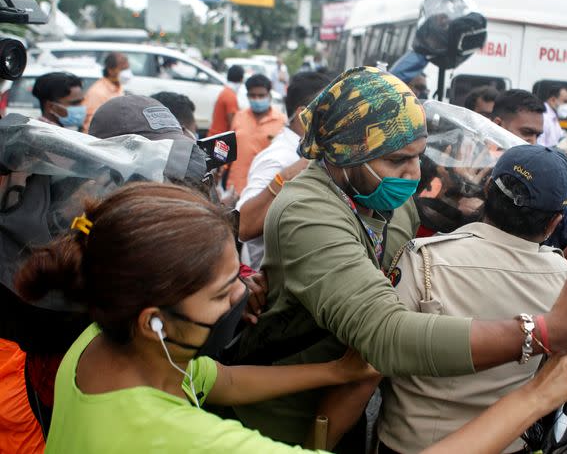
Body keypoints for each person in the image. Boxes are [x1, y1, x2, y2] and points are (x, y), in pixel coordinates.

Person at [228, 66, 567, 447]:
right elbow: (385, 334)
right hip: (283, 417)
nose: (413, 172)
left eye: (418, 155)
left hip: (342, 406)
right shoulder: (307, 210)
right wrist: (544, 332)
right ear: (343, 154)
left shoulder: (384, 195)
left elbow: (477, 228)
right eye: (398, 159)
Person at [13, 182, 381, 453]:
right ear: (153, 322)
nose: (242, 294)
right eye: (222, 293)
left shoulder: (100, 339)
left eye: (239, 277)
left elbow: (226, 381)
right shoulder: (184, 438)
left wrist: (336, 371)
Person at [379, 144, 567, 454]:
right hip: (507, 444)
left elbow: (379, 352)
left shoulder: (426, 259)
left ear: (487, 188)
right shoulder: (563, 275)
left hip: (414, 444)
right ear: (554, 222)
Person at [237, 71, 331, 266]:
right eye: (329, 112)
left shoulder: (310, 151)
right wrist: (284, 177)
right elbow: (242, 226)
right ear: (303, 115)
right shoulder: (279, 159)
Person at [226, 74, 287, 195]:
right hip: (236, 186)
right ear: (247, 96)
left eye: (261, 96)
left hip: (265, 188)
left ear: (269, 96)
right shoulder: (239, 116)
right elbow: (230, 148)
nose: (257, 99)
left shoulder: (281, 121)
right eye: (253, 96)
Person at [81, 52, 130, 132]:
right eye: (123, 69)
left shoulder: (118, 87)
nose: (127, 73)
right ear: (111, 70)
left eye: (127, 69)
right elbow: (92, 124)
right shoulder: (97, 92)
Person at [208, 65, 245, 137]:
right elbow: (233, 123)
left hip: (215, 135)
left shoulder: (226, 91)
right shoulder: (230, 95)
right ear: (241, 79)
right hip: (220, 138)